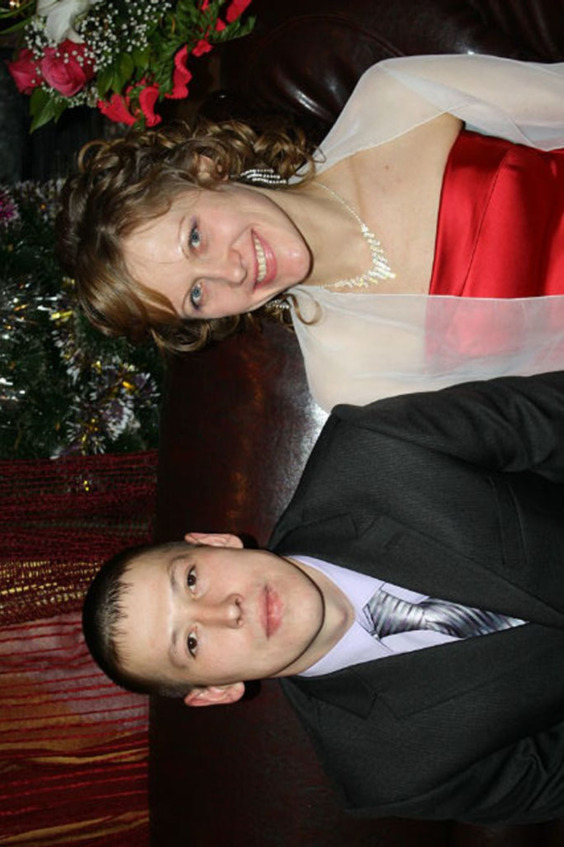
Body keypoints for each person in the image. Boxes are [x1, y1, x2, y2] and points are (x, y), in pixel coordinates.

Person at [84, 370, 564, 824]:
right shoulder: (391, 774)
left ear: (216, 542)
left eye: (191, 580)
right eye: (190, 642)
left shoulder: (377, 446)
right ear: (216, 691)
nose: (226, 610)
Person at [58, 54, 564, 409]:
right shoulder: (350, 380)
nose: (231, 273)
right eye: (196, 295)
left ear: (204, 166)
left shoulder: (396, 101)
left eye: (195, 238)